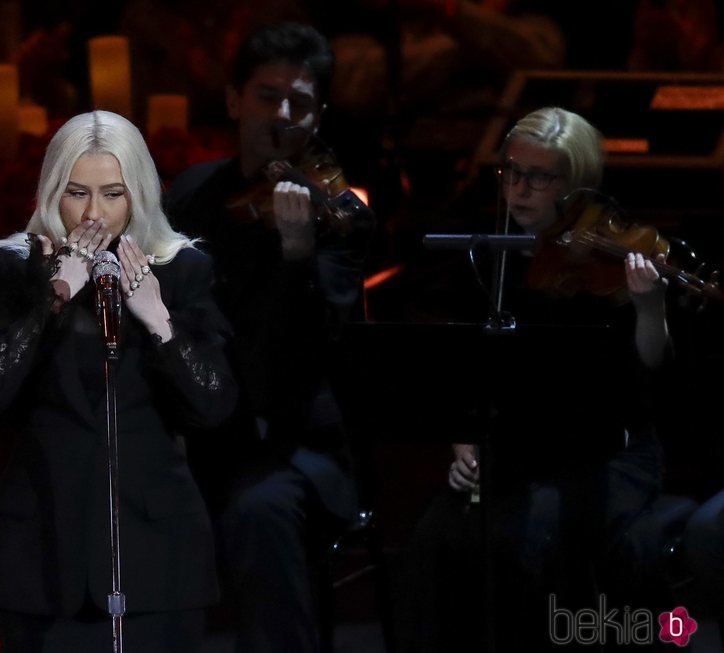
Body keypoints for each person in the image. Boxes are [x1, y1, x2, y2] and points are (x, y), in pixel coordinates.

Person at [395, 106, 672, 651]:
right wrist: (463, 440)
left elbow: (648, 373)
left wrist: (649, 308)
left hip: (604, 455)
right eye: (511, 173)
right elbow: (460, 371)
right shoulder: (491, 255)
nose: (519, 190)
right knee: (432, 541)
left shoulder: (610, 260)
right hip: (515, 454)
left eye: (540, 178)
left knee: (526, 540)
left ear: (578, 185)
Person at [0, 110, 238, 653]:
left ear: (136, 194)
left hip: (157, 552)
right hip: (43, 553)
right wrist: (52, 300)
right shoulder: (19, 271)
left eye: (112, 194)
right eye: (77, 193)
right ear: (52, 194)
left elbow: (214, 406)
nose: (94, 213)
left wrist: (159, 319)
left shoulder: (181, 271)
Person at [164, 22, 374, 653]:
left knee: (260, 513)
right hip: (206, 435)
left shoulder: (342, 216)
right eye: (266, 96)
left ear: (319, 115)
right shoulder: (194, 195)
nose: (283, 114)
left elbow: (313, 352)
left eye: (300, 102)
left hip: (296, 448)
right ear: (233, 101)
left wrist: (297, 255)